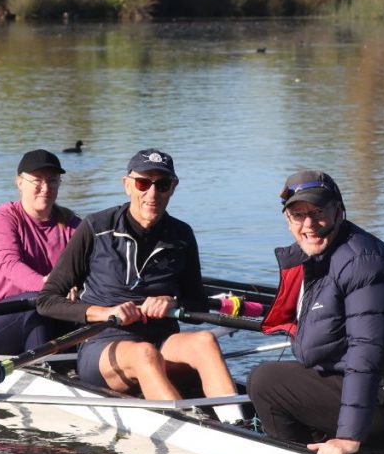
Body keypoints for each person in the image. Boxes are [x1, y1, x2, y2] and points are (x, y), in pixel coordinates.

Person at [36, 149, 243, 422]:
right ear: (127, 185)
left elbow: (197, 301)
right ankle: (192, 431)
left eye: (162, 185)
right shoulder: (95, 228)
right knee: (145, 354)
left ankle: (237, 425)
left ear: (173, 188)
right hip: (103, 343)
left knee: (205, 341)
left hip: (161, 339)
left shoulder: (182, 235)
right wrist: (105, 313)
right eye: (143, 183)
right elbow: (47, 300)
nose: (152, 193)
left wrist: (174, 301)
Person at [247, 170, 384, 454]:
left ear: (338, 210)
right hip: (374, 395)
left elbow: (366, 353)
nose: (308, 225)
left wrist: (348, 436)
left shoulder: (365, 262)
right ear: (287, 220)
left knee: (264, 382)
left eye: (318, 211)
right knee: (283, 376)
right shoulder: (318, 256)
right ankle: (317, 441)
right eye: (298, 215)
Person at [0, 149, 81, 353]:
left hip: (52, 310)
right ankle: (44, 370)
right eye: (37, 180)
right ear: (20, 182)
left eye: (52, 180)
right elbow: (11, 266)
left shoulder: (72, 225)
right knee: (36, 303)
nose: (45, 187)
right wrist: (53, 286)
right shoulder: (3, 219)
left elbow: (94, 266)